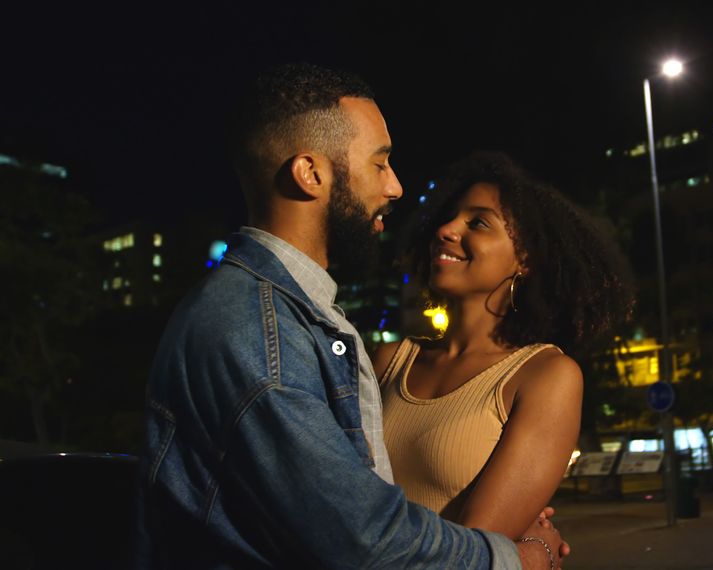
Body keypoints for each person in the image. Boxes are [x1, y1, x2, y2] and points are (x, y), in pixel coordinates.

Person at [134, 63, 564, 569]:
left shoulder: (291, 319)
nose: (396, 187)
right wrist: (515, 559)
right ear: (310, 173)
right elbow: (362, 541)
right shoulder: (259, 330)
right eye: (379, 164)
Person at [373, 152, 634, 540]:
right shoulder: (387, 361)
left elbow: (476, 550)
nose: (445, 229)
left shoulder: (544, 377)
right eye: (449, 216)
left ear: (524, 259)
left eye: (477, 222)